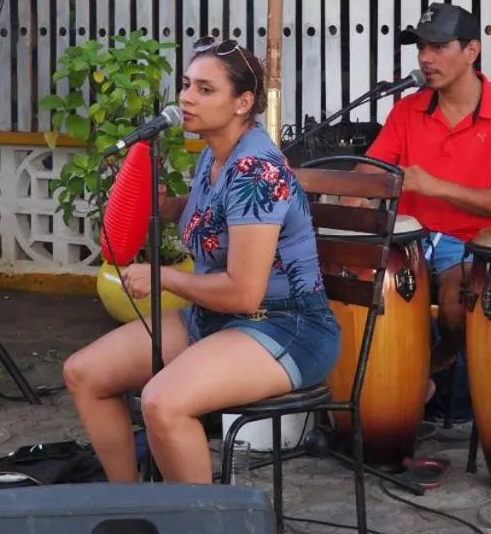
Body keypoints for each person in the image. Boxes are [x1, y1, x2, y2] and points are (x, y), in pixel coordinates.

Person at [63, 37, 340, 482]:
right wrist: (166, 205)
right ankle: (131, 504)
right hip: (215, 319)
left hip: (283, 325)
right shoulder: (213, 154)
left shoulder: (256, 171)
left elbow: (244, 290)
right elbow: (214, 217)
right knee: (85, 374)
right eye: (187, 84)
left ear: (243, 102)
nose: (186, 98)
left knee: (163, 402)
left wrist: (164, 277)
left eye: (205, 90)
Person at [366, 2, 491, 379]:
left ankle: (422, 376)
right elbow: (369, 172)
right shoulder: (407, 109)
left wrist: (437, 187)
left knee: (457, 298)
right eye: (421, 47)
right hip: (407, 239)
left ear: (471, 51)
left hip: (471, 243)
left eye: (438, 47)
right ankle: (370, 391)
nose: (426, 58)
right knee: (348, 281)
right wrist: (347, 200)